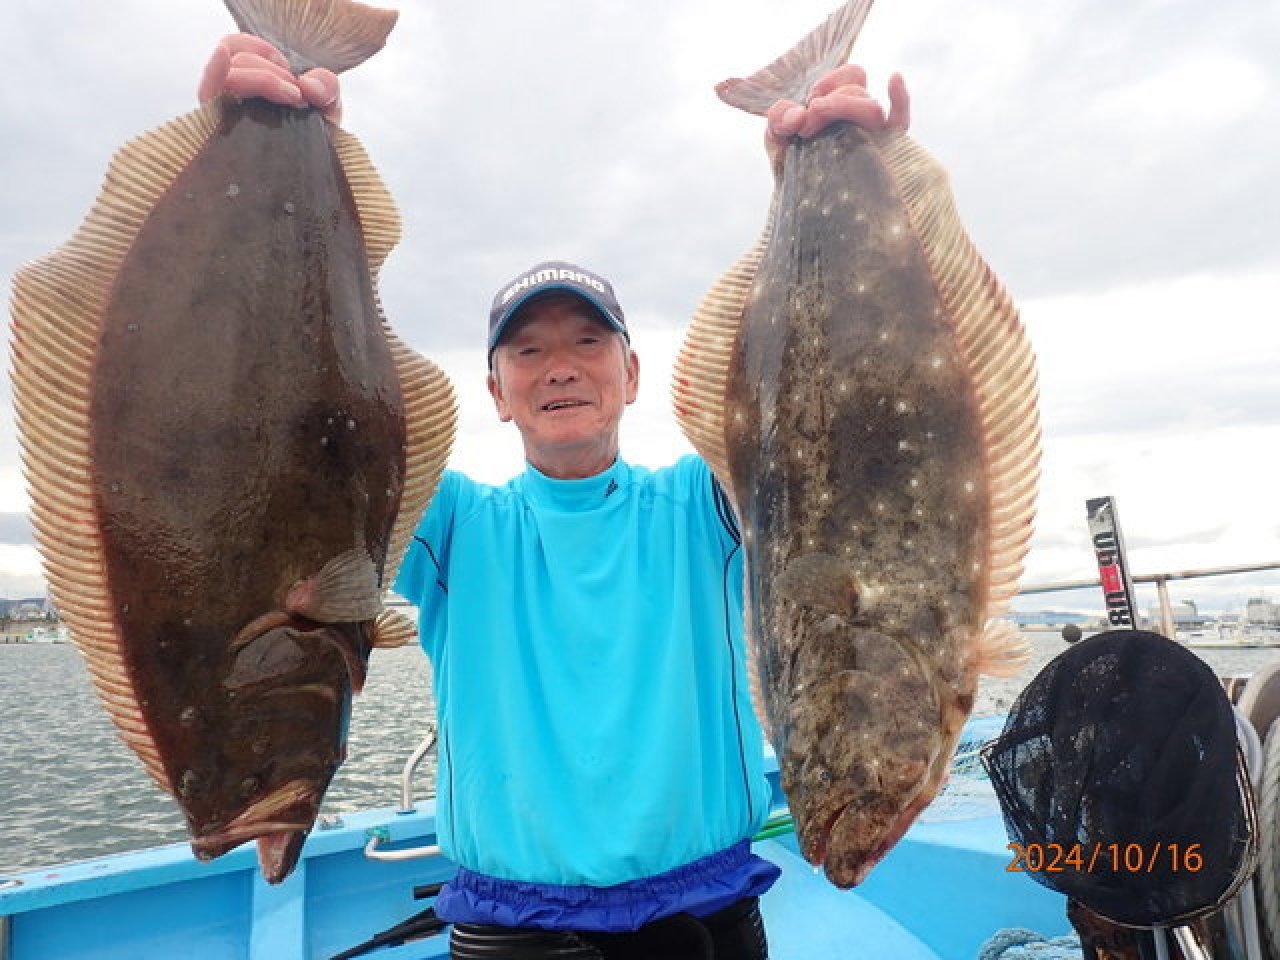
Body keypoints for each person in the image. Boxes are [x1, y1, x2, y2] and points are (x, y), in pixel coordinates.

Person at [201, 33, 909, 960]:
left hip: (705, 912)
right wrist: (242, 164)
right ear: (495, 392)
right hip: (513, 926)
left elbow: (830, 429)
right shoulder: (448, 524)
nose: (560, 367)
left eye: (587, 341)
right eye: (527, 350)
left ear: (633, 373)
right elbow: (288, 439)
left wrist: (834, 183)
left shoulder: (708, 509)